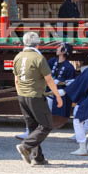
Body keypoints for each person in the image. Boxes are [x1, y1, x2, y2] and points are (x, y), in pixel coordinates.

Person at [13, 31, 64, 165]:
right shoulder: (38, 58)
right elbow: (49, 79)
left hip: (22, 95)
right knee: (46, 125)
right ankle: (26, 146)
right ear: (38, 44)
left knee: (33, 127)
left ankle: (38, 157)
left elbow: (16, 80)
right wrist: (58, 96)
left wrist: (20, 94)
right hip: (35, 95)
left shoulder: (18, 57)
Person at [48, 43, 77, 119]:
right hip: (47, 91)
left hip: (59, 93)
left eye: (59, 47)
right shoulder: (52, 61)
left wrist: (63, 89)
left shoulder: (69, 67)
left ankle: (57, 120)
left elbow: (71, 84)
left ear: (64, 51)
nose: (57, 49)